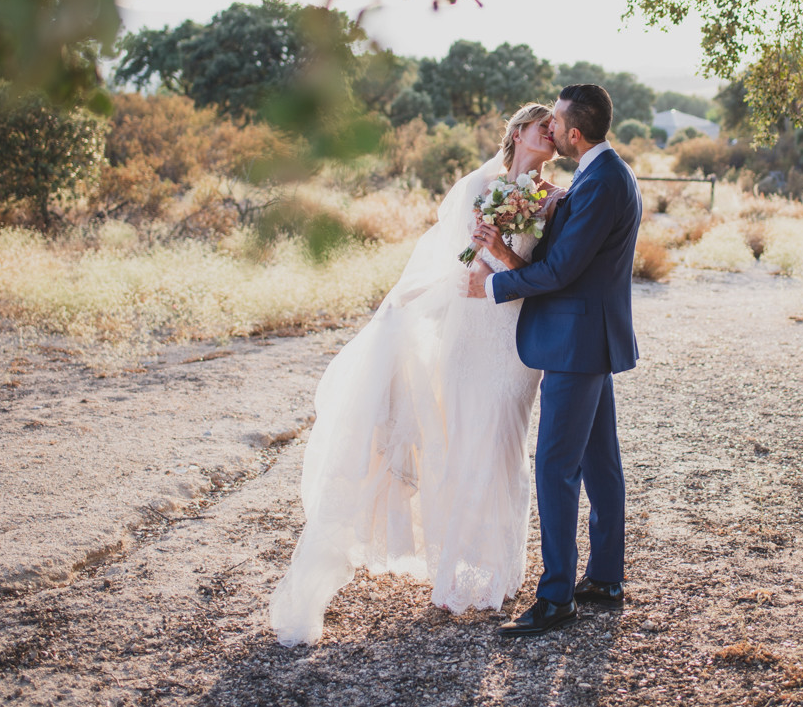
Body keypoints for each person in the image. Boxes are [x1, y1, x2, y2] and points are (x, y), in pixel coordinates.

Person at [268, 103, 561, 646]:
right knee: (463, 442)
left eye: (556, 129)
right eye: (544, 126)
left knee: (505, 444)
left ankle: (500, 570)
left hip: (517, 336)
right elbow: (460, 258)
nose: (552, 134)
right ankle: (456, 574)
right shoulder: (482, 184)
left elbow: (545, 270)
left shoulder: (553, 196)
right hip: (472, 330)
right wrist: (435, 289)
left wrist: (502, 258)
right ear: (519, 132)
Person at [464, 83, 642, 638]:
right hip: (589, 339)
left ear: (575, 132)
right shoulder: (599, 174)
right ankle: (606, 577)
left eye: (558, 122)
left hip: (576, 344)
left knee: (555, 467)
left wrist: (494, 286)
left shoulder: (602, 181)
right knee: (598, 461)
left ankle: (557, 594)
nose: (552, 128)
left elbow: (561, 270)